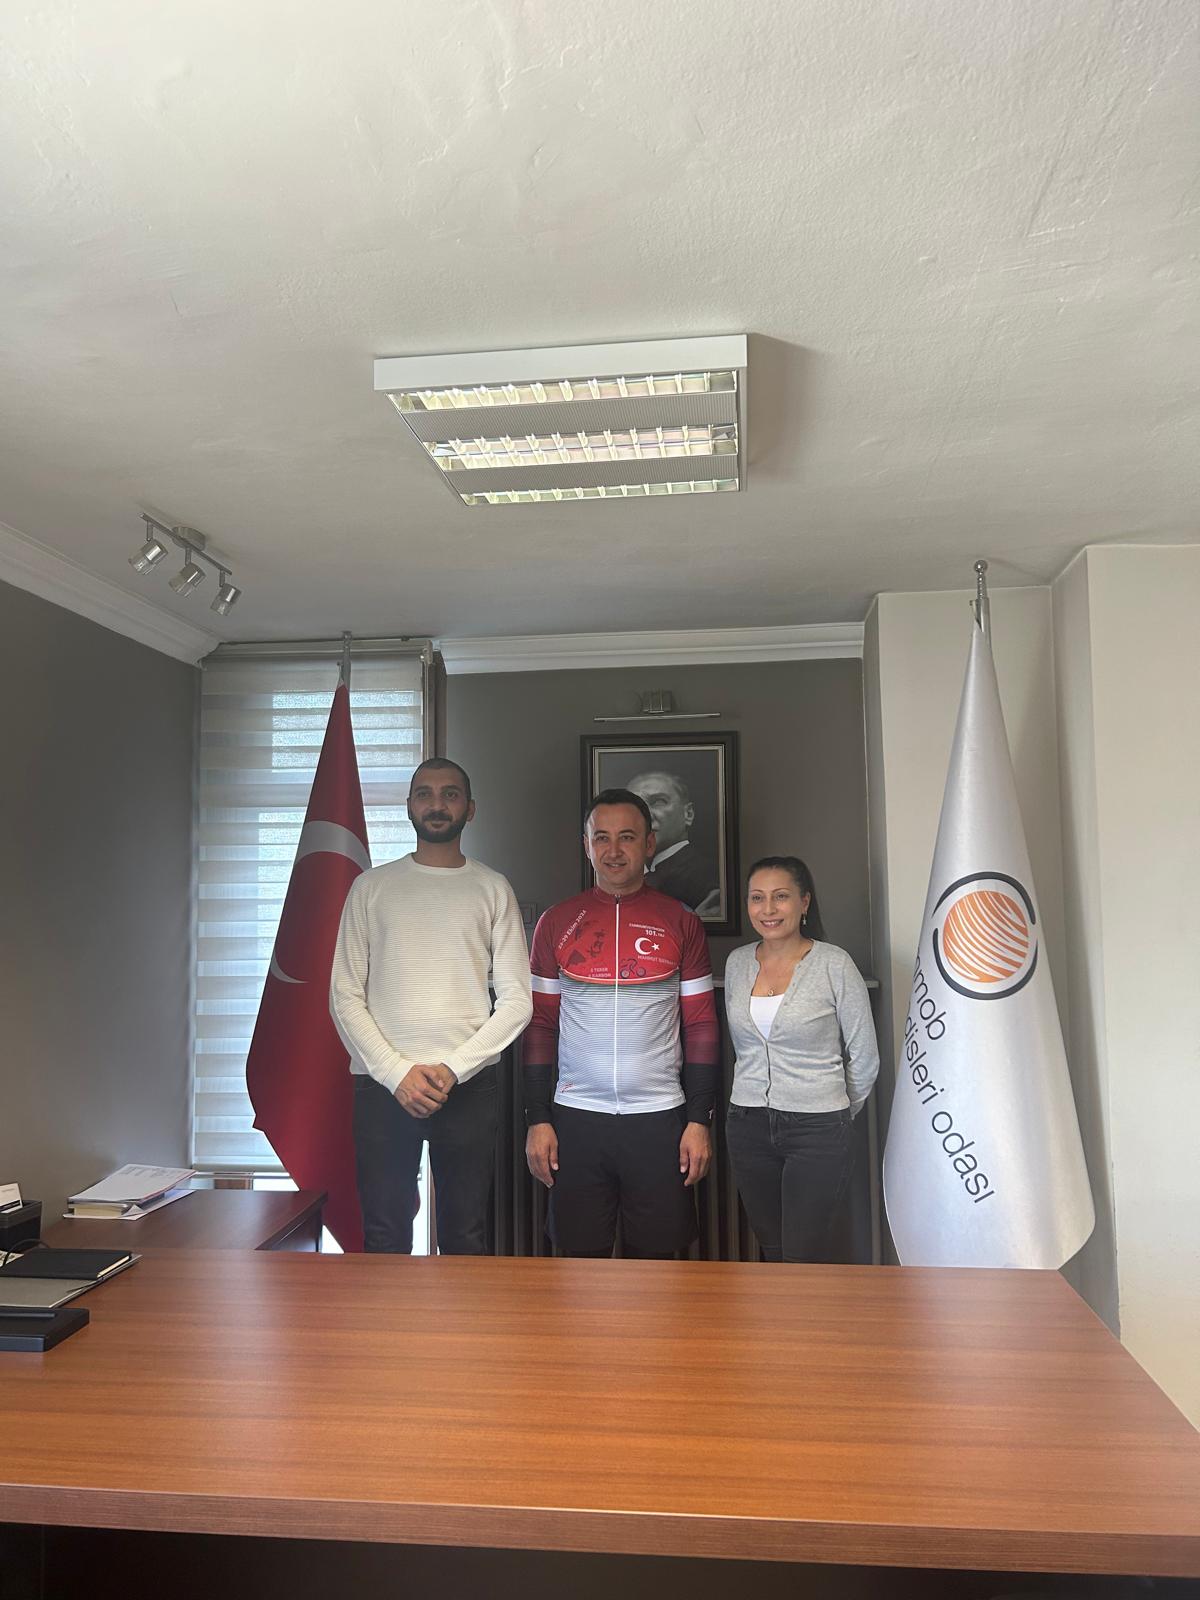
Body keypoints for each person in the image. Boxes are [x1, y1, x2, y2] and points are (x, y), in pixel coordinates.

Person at [330, 757, 532, 1254]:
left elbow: (517, 1002)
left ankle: (461, 1317)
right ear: (409, 806)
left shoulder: (493, 888)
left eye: (450, 794)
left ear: (471, 808)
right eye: (425, 794)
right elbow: (344, 993)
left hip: (467, 1087)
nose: (436, 804)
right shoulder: (371, 888)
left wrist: (453, 1069)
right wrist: (396, 1073)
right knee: (384, 1236)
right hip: (383, 1086)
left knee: (465, 1236)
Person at [523, 788, 720, 1258]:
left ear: (649, 843)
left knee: (658, 1272)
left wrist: (698, 1120)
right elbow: (541, 1026)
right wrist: (538, 1118)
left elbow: (701, 1026)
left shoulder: (681, 921)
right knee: (577, 1269)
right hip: (576, 1118)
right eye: (602, 837)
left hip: (659, 1119)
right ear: (586, 845)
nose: (614, 850)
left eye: (627, 837)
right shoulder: (555, 922)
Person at [723, 856, 878, 1263]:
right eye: (757, 898)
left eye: (781, 897)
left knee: (803, 1255)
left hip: (818, 1127)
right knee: (772, 1249)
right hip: (748, 1124)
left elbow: (865, 1056)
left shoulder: (833, 964)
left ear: (804, 902)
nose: (768, 909)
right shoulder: (738, 963)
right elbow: (743, 1049)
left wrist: (833, 1110)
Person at [627, 769, 721, 917]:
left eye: (658, 802)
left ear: (688, 814)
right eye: (634, 806)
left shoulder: (711, 880)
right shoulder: (622, 878)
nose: (644, 816)